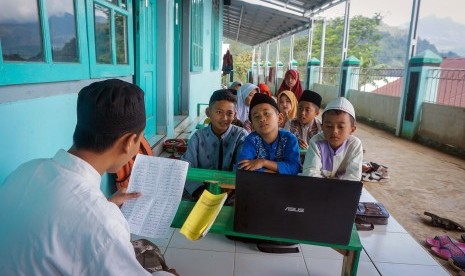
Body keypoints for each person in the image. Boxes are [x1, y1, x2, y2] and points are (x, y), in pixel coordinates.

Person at [0, 79, 178, 275]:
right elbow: (88, 225)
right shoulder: (103, 225)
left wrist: (105, 203)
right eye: (140, 139)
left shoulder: (26, 170)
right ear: (129, 142)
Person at [182, 89, 248, 197]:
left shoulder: (241, 136)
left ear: (235, 115)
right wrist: (201, 192)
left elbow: (242, 167)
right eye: (219, 112)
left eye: (229, 113)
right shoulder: (198, 137)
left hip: (232, 193)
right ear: (208, 112)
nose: (224, 118)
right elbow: (186, 167)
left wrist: (229, 188)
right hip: (200, 193)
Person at [301, 97, 363, 181]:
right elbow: (310, 173)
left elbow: (353, 178)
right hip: (318, 189)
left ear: (352, 129)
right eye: (329, 126)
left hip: (342, 190)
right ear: (322, 127)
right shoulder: (316, 142)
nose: (334, 131)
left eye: (341, 127)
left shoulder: (354, 145)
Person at [237, 93, 301, 175]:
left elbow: (294, 167)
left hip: (285, 186)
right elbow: (242, 167)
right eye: (256, 116)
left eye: (266, 113)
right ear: (252, 125)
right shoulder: (251, 140)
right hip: (258, 186)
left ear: (280, 118)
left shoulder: (289, 138)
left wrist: (263, 163)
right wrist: (275, 173)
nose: (262, 119)